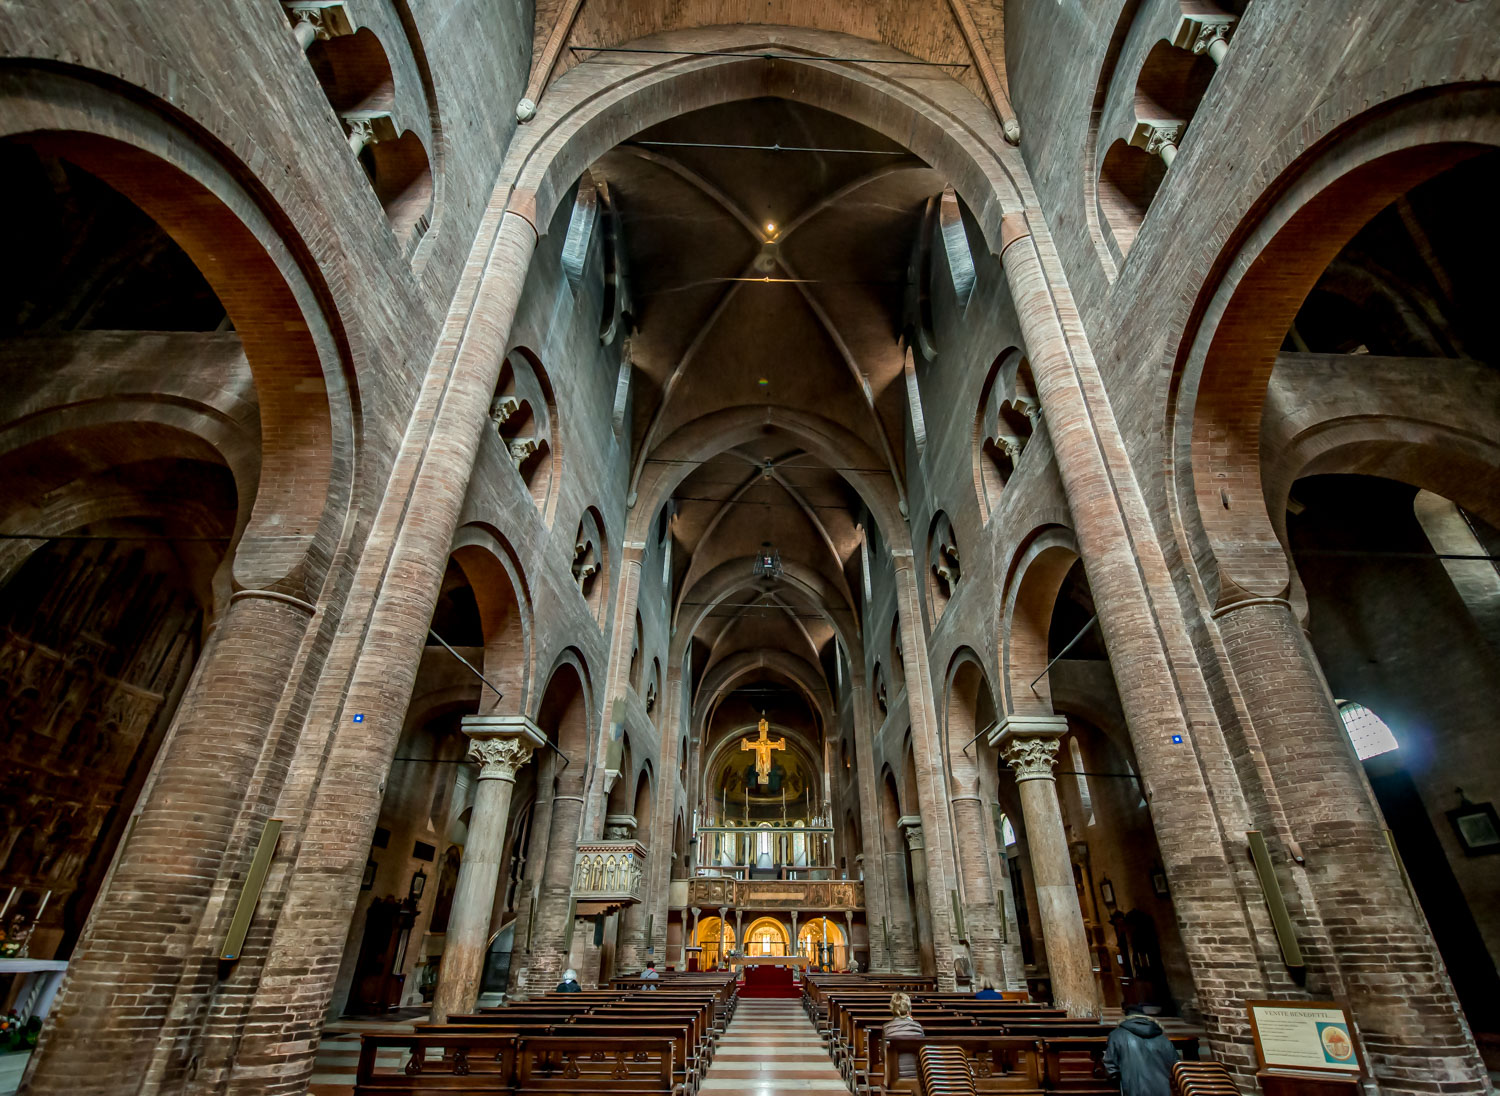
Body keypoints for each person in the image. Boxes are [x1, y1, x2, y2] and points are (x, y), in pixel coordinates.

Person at [1104, 1011, 1180, 1096]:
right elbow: (1176, 1067)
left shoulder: (1117, 1034)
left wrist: (1125, 1081)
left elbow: (1110, 1068)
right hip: (1164, 1091)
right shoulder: (1163, 1038)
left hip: (1132, 1090)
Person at [882, 992, 925, 1079]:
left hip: (895, 1078)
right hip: (917, 1077)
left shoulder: (887, 1028)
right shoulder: (918, 1027)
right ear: (909, 1008)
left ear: (892, 1008)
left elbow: (883, 1055)